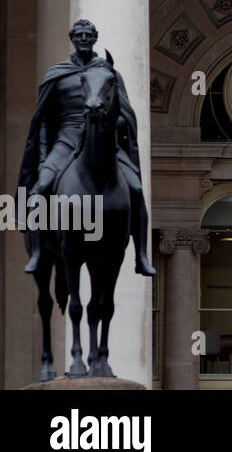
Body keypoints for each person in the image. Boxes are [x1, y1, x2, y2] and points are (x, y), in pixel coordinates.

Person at [18, 19, 155, 276]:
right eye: (78, 35)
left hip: (104, 140)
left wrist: (112, 122)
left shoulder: (109, 73)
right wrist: (43, 157)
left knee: (135, 189)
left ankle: (141, 254)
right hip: (65, 139)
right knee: (41, 188)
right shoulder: (57, 74)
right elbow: (44, 121)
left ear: (95, 38)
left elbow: (124, 112)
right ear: (72, 38)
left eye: (88, 35)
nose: (83, 39)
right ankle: (37, 252)